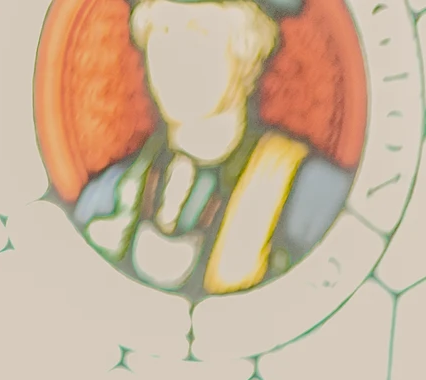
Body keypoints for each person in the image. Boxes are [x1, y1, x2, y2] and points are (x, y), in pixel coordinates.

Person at [72, 0, 351, 298]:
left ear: (247, 51)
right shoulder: (105, 197)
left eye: (198, 32)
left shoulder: (310, 197)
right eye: (163, 30)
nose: (174, 55)